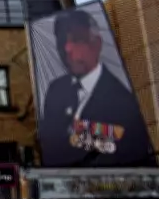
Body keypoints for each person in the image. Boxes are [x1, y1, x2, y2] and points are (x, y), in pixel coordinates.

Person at [40, 9, 153, 167]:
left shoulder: (121, 100)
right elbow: (49, 144)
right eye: (62, 41)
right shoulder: (56, 90)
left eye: (77, 40)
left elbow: (128, 148)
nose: (67, 49)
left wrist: (73, 135)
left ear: (97, 44)